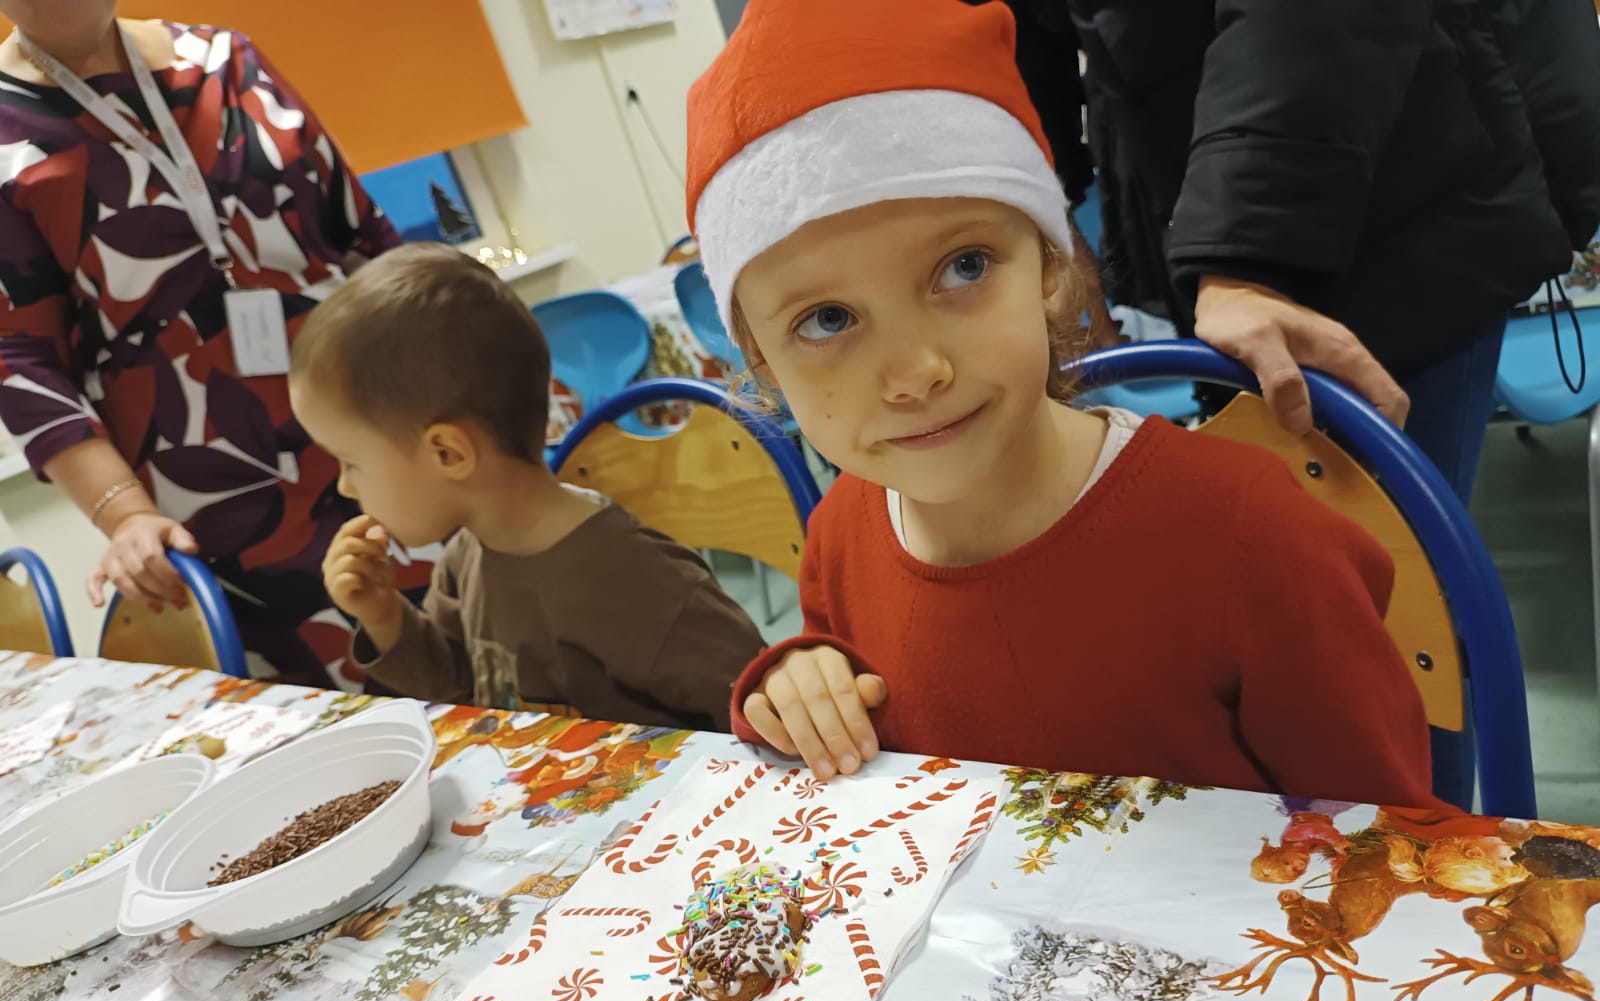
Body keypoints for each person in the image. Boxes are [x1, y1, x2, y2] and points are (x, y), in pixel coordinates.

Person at [687, 0, 1446, 808]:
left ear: (1052, 263)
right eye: (827, 320)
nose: (914, 373)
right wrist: (797, 682)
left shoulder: (1251, 536)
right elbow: (849, 703)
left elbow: (1385, 840)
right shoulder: (842, 531)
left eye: (964, 267)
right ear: (763, 365)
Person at [0, 4, 416, 686]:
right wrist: (126, 515)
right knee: (356, 705)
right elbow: (20, 361)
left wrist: (460, 377)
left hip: (385, 430)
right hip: (222, 497)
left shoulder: (228, 58)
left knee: (483, 665)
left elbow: (361, 233)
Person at [1052, 0, 1600, 500]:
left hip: (1403, 204)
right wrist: (1052, 213)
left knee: (1386, 554)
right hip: (1217, 218)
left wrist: (1242, 261)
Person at [290, 243, 766, 731]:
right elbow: (459, 695)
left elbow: (768, 707)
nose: (344, 487)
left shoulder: (638, 582)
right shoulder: (465, 557)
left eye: (351, 462)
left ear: (448, 453)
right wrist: (385, 618)